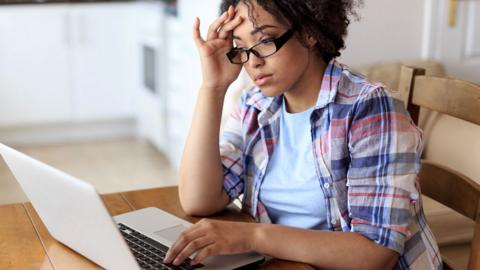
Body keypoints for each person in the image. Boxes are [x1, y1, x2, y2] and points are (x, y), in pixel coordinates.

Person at [163, 0, 442, 269]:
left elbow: (376, 254)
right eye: (241, 47)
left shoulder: (369, 107)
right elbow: (199, 200)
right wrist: (213, 87)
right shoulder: (256, 105)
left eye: (265, 41)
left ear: (309, 32)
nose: (253, 62)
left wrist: (251, 236)